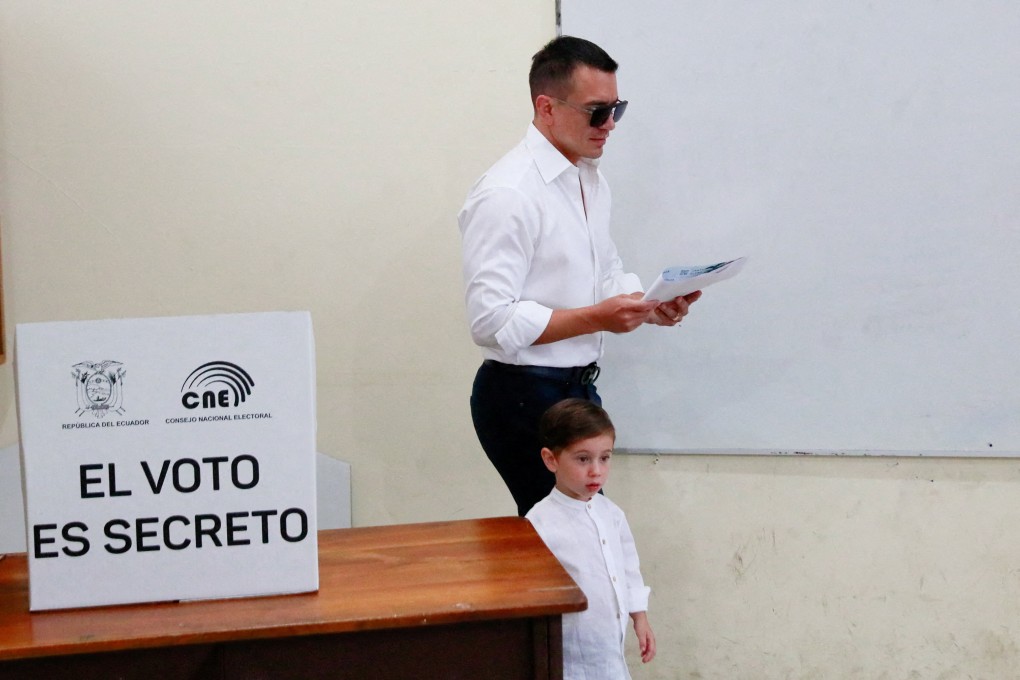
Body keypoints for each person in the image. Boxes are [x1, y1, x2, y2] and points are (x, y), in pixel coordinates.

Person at [459, 35, 701, 516]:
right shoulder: (508, 194)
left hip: (575, 389)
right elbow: (490, 321)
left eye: (617, 109)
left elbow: (603, 269)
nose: (609, 124)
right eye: (597, 111)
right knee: (576, 536)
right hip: (523, 394)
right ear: (546, 108)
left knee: (583, 534)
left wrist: (647, 305)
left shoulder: (589, 178)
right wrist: (599, 318)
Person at [526, 398, 655, 679]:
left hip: (610, 650)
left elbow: (629, 569)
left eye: (604, 458)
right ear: (551, 459)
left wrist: (639, 617)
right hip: (569, 655)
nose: (596, 470)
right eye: (583, 459)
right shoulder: (538, 523)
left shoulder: (612, 513)